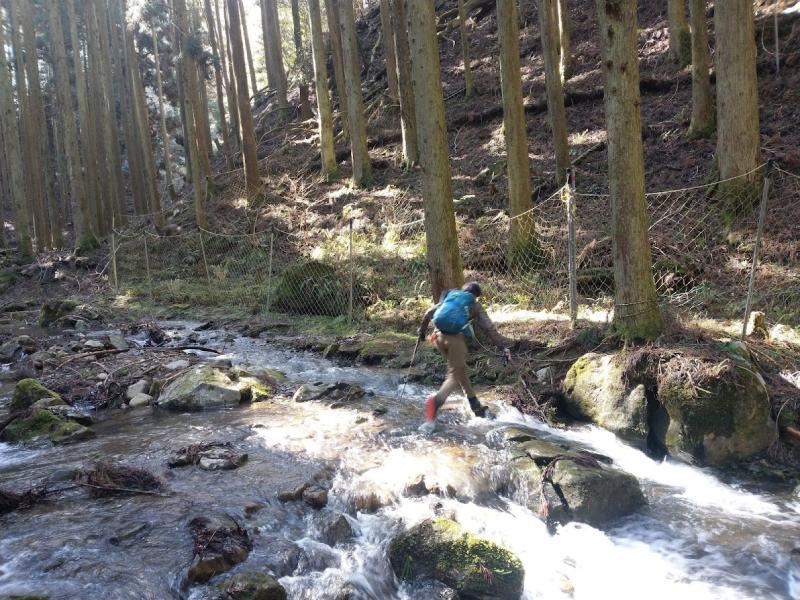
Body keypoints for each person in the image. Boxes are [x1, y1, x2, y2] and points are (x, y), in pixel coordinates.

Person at [417, 281, 511, 422]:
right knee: (454, 376)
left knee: (460, 370)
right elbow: (489, 328)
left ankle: (476, 406)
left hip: (438, 338)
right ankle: (436, 402)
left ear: (463, 290)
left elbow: (428, 313)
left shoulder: (451, 297)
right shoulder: (474, 305)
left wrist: (422, 332)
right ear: (476, 295)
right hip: (455, 340)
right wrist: (503, 347)